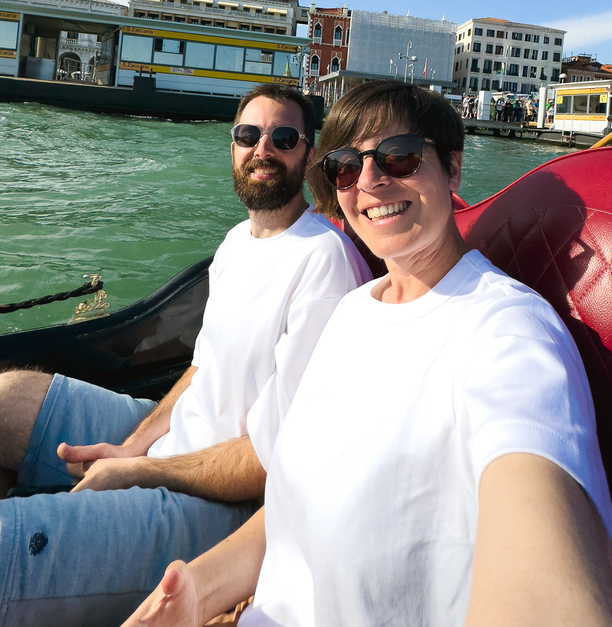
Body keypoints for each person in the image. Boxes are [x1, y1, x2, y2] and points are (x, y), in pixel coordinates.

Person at [125, 81, 612, 627]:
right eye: (346, 165)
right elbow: (293, 500)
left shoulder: (505, 332)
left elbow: (544, 579)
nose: (369, 180)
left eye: (400, 157)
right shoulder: (351, 312)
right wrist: (195, 594)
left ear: (453, 169)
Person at [0, 84, 370, 627]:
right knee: (7, 397)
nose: (262, 149)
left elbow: (277, 462)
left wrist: (140, 472)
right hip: (173, 451)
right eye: (249, 135)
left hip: (225, 509)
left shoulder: (324, 264)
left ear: (309, 154)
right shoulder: (234, 244)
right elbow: (200, 371)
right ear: (232, 146)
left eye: (284, 137)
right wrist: (129, 448)